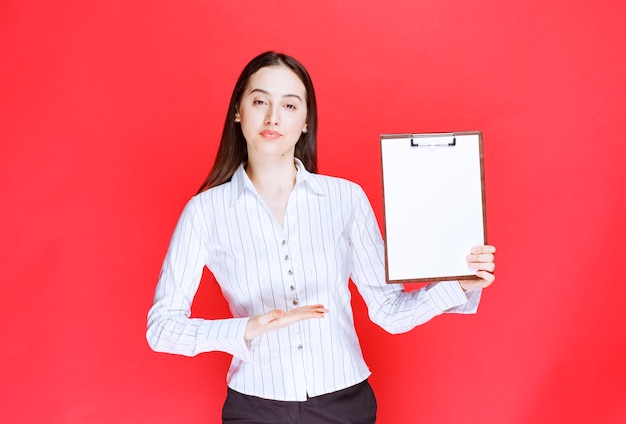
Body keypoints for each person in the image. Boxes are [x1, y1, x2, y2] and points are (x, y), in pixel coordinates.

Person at [146, 51, 496, 424]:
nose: (273, 117)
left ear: (306, 120)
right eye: (260, 100)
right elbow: (161, 329)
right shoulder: (204, 212)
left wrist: (458, 284)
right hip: (254, 408)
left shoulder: (346, 200)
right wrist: (246, 328)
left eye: (290, 105)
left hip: (344, 406)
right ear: (238, 110)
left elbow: (389, 312)